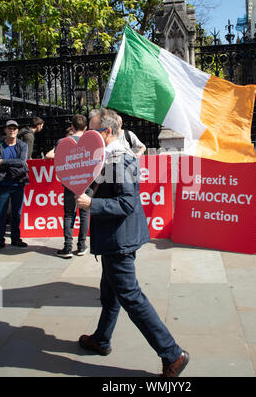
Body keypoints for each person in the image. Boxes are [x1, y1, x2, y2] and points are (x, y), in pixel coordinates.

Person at [75, 108, 189, 377]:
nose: (88, 136)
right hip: (114, 237)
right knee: (110, 292)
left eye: (92, 131)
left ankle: (173, 354)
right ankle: (101, 339)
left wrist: (92, 203)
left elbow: (126, 202)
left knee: (131, 297)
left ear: (106, 132)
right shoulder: (107, 156)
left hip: (119, 240)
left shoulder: (119, 160)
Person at [56, 115, 92, 259]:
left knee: (69, 214)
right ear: (85, 128)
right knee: (84, 214)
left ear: (71, 126)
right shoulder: (91, 143)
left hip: (70, 182)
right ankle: (82, 246)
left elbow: (58, 162)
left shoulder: (62, 142)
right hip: (86, 182)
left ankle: (67, 247)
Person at [0, 120, 29, 249]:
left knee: (17, 213)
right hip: (3, 184)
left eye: (14, 128)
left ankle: (16, 238)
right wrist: (13, 164)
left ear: (17, 130)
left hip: (18, 184)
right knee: (0, 213)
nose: (12, 130)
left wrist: (3, 162)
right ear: (5, 130)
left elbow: (22, 162)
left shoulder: (22, 145)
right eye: (9, 128)